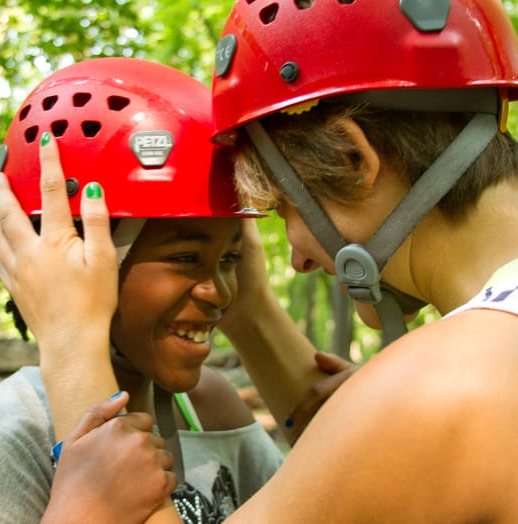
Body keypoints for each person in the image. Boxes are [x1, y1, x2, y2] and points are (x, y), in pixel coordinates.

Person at [43, 1, 518, 522]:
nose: (298, 260)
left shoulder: (439, 387)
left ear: (351, 159)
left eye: (283, 208)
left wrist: (69, 340)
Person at [0, 56, 332, 524]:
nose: (221, 292)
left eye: (230, 259)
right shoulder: (9, 435)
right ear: (75, 260)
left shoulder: (209, 409)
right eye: (186, 257)